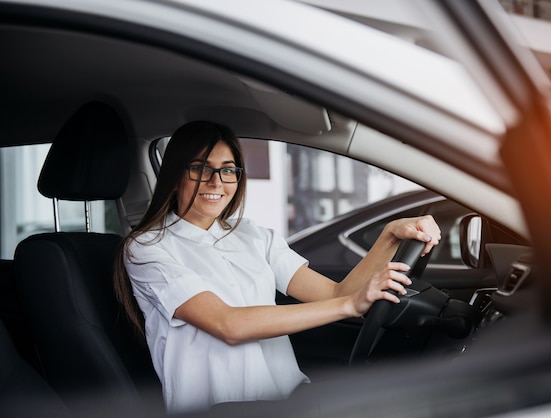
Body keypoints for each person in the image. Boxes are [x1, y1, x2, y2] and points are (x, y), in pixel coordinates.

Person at [113, 121, 441, 414]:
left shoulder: (254, 236)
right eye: (200, 168)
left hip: (289, 399)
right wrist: (349, 305)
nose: (216, 182)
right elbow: (228, 325)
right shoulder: (147, 248)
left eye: (228, 170)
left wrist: (390, 235)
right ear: (176, 173)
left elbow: (335, 293)